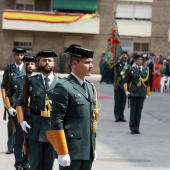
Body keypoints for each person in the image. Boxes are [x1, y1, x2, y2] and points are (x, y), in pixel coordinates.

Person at [46, 44, 99, 170]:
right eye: (87, 62)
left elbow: (91, 121)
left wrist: (92, 147)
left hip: (87, 150)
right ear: (74, 63)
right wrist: (62, 151)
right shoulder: (63, 86)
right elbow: (56, 119)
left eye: (91, 62)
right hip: (71, 150)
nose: (91, 66)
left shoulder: (90, 87)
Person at [16, 50, 60, 170]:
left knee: (48, 166)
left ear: (54, 63)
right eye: (44, 60)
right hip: (34, 129)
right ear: (39, 63)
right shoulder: (31, 81)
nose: (47, 63)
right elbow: (19, 103)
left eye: (49, 60)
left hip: (52, 130)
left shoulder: (61, 83)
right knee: (34, 165)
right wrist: (22, 121)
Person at [11, 55, 36, 170]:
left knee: (29, 141)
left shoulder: (37, 81)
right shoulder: (17, 80)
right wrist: (13, 107)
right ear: (24, 65)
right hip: (20, 115)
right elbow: (12, 96)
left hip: (32, 116)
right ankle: (18, 163)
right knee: (19, 141)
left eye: (32, 64)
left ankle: (26, 162)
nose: (30, 66)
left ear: (35, 66)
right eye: (28, 64)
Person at [1, 47, 26, 154]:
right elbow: (3, 86)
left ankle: (21, 147)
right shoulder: (9, 68)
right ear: (14, 56)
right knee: (12, 125)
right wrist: (8, 105)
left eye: (21, 55)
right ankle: (10, 146)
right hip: (12, 101)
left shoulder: (27, 67)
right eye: (18, 55)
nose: (20, 57)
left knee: (23, 124)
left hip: (23, 102)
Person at [124, 54, 150, 134]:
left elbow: (148, 82)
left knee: (139, 111)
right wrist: (126, 90)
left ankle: (137, 127)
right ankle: (132, 127)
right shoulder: (131, 69)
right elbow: (127, 81)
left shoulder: (146, 70)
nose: (140, 61)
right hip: (134, 91)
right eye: (138, 59)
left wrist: (147, 93)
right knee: (133, 110)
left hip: (142, 92)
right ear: (135, 60)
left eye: (141, 59)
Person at [113, 51, 129, 122]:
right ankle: (117, 116)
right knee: (117, 102)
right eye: (124, 55)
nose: (125, 56)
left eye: (126, 55)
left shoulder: (129, 66)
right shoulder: (118, 64)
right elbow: (110, 65)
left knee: (123, 102)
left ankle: (121, 116)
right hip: (118, 84)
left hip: (125, 85)